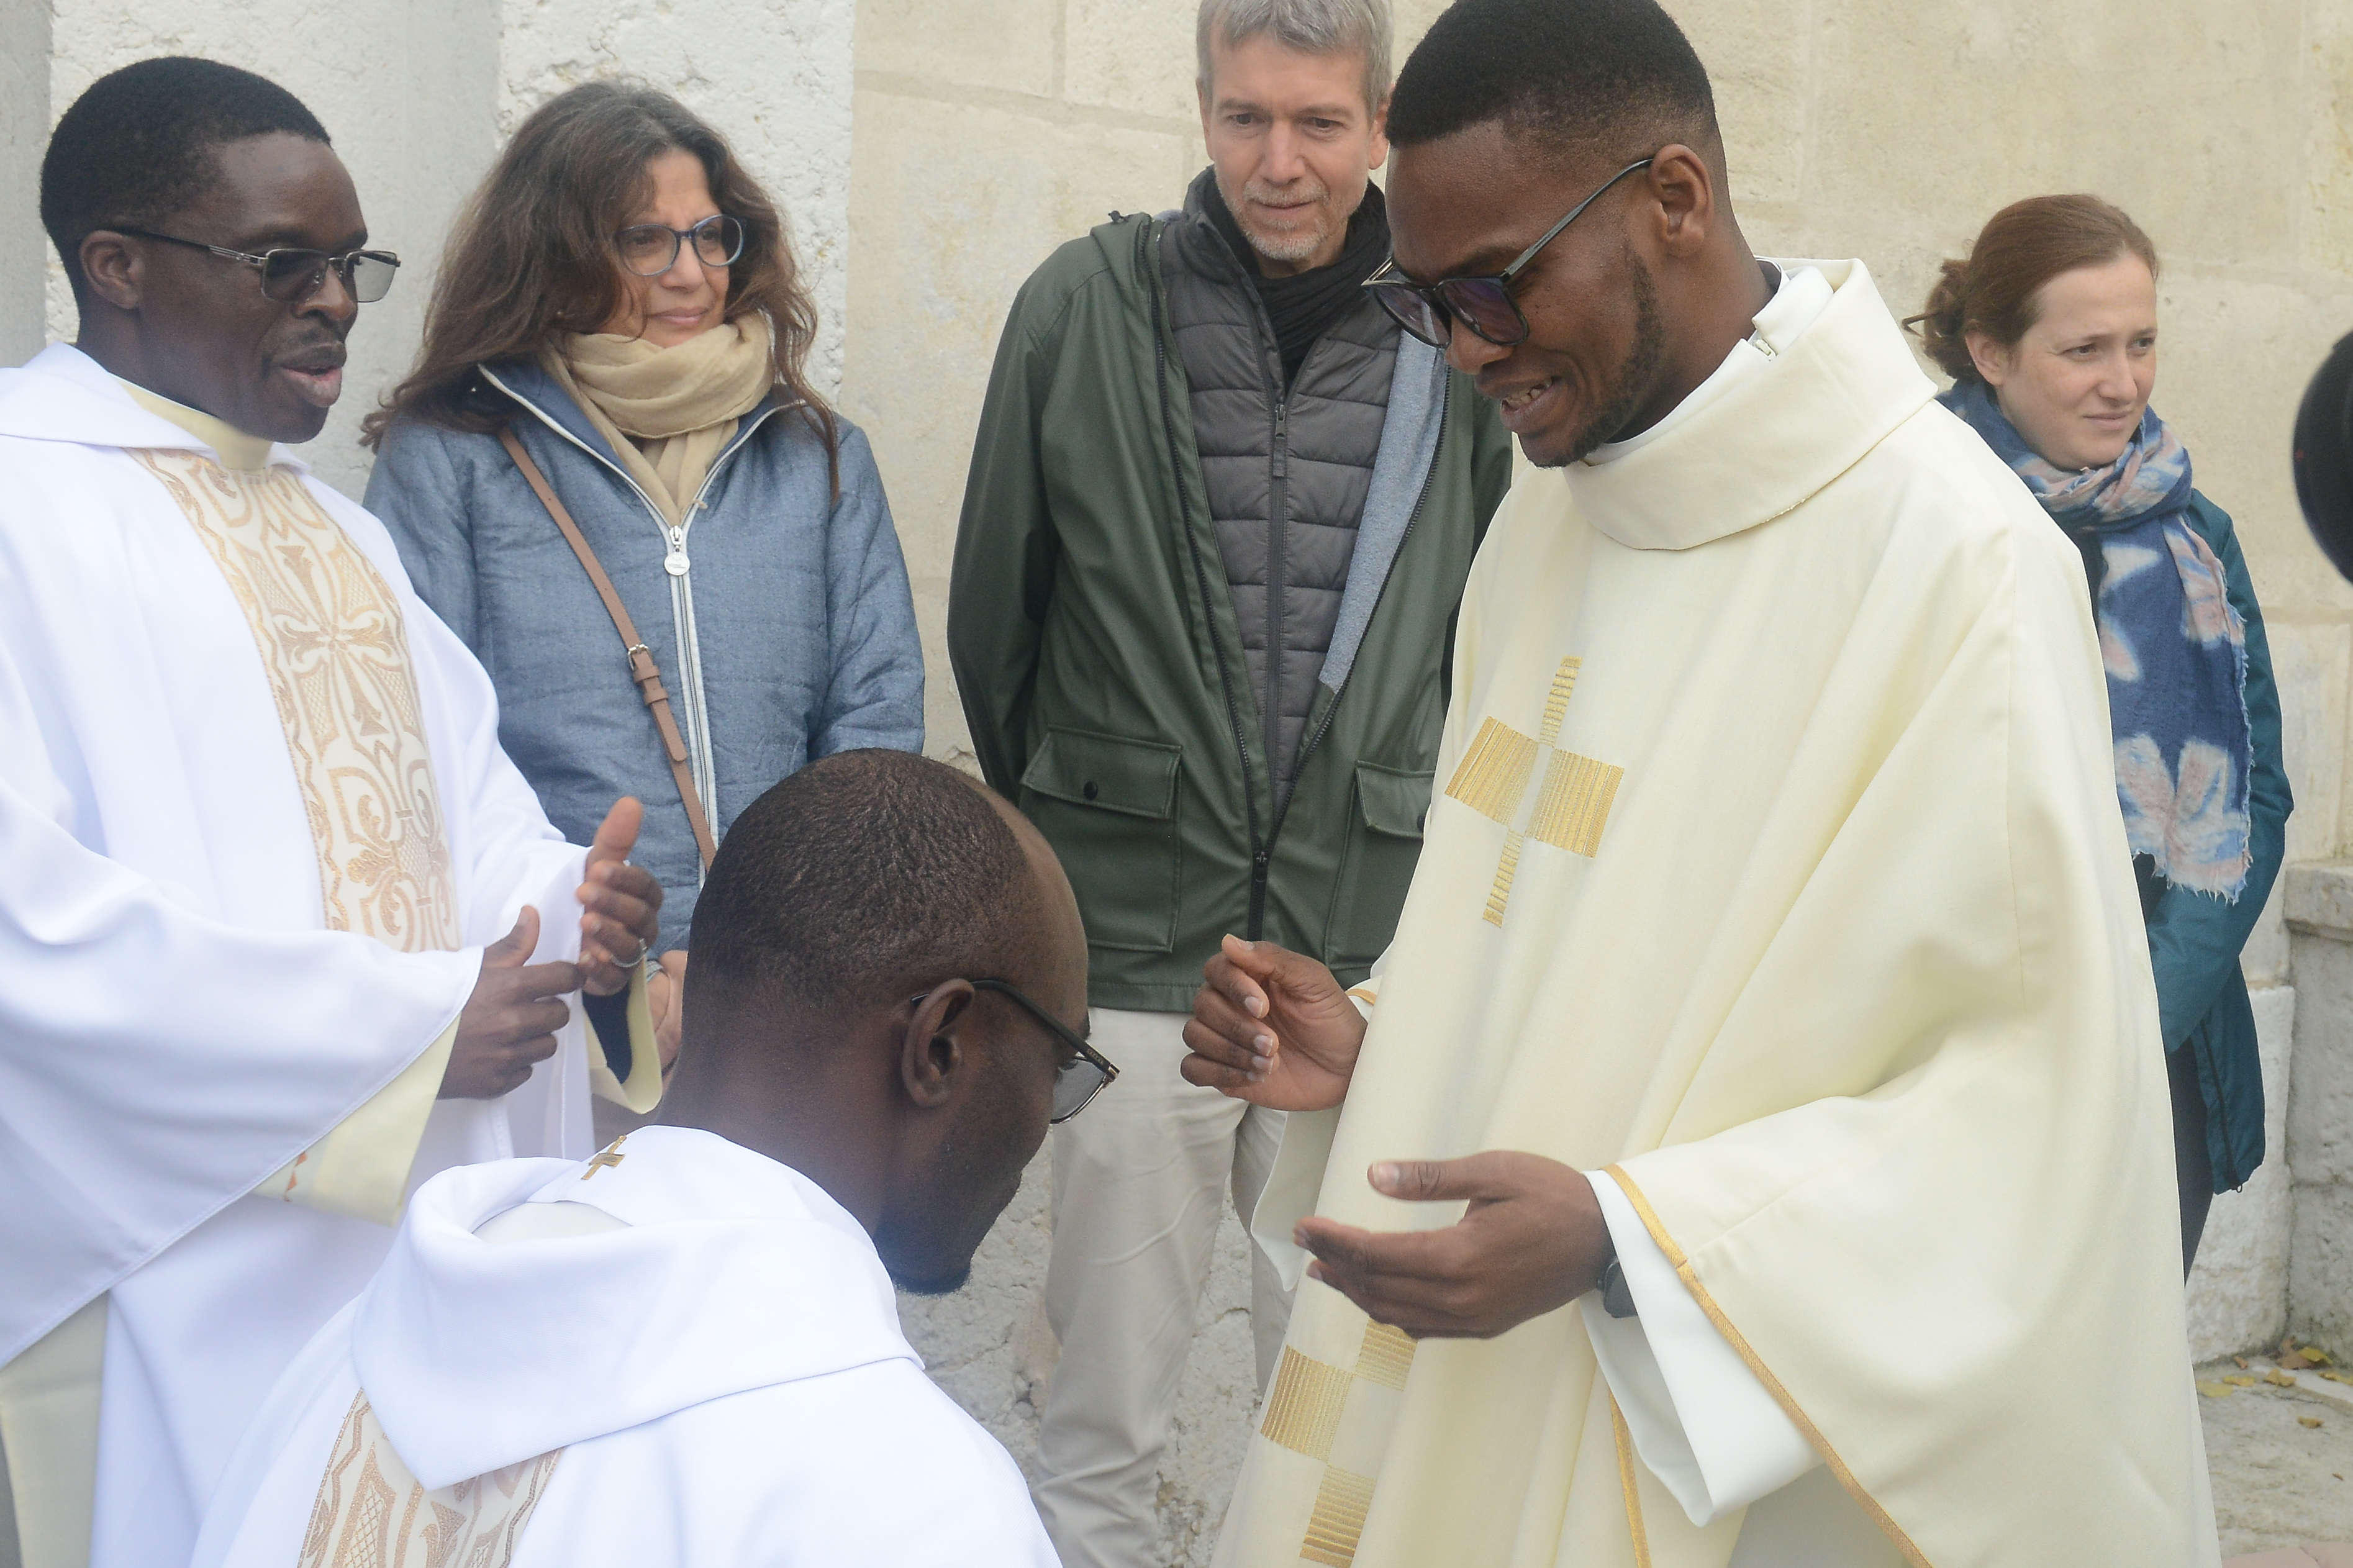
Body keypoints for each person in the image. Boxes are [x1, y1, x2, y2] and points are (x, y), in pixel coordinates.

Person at [1181, 0, 2217, 1562]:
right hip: (1488, 1359)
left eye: (1496, 284)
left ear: (1672, 199)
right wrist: (1381, 1042)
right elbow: (1572, 937)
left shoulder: (1955, 561)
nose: (1467, 348)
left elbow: (2037, 1118)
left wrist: (1629, 1242)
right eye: (1425, 301)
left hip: (1713, 1423)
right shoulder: (1550, 511)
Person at [0, 58, 673, 1568]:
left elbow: (471, 835)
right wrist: (408, 1040)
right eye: (280, 263)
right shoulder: (17, 512)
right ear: (114, 267)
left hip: (390, 1258)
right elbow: (26, 939)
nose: (334, 303)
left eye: (349, 263)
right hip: (169, 1270)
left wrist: (577, 920)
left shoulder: (348, 542)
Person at [950, 1, 1510, 1557]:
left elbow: (1501, 631)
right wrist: (1087, 834)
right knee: (1100, 1405)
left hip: (1364, 956)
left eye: (1318, 124)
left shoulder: (1460, 334)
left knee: (1336, 1403)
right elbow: (998, 614)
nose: (1280, 161)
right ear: (1200, 108)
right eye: (1245, 118)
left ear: (1379, 120)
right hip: (1132, 948)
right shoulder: (1081, 305)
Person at [191, 750, 1100, 1568]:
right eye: (1060, 1063)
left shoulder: (350, 1359)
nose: (1044, 1119)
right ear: (938, 1044)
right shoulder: (914, 1507)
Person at [363, 81, 923, 1018]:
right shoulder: (455, 452)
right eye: (644, 240)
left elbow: (875, 717)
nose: (690, 273)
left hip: (780, 995)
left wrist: (785, 950)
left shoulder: (815, 453)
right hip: (559, 986)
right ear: (559, 251)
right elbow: (424, 745)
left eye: (710, 235)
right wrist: (591, 942)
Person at [1913, 195, 2292, 1276]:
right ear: (1988, 349)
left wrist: (2136, 1021)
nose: (2122, 382)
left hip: (2150, 1053)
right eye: (2082, 349)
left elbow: (2255, 797)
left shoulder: (2195, 537)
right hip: (1946, 1042)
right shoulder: (1914, 511)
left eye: (2140, 343)